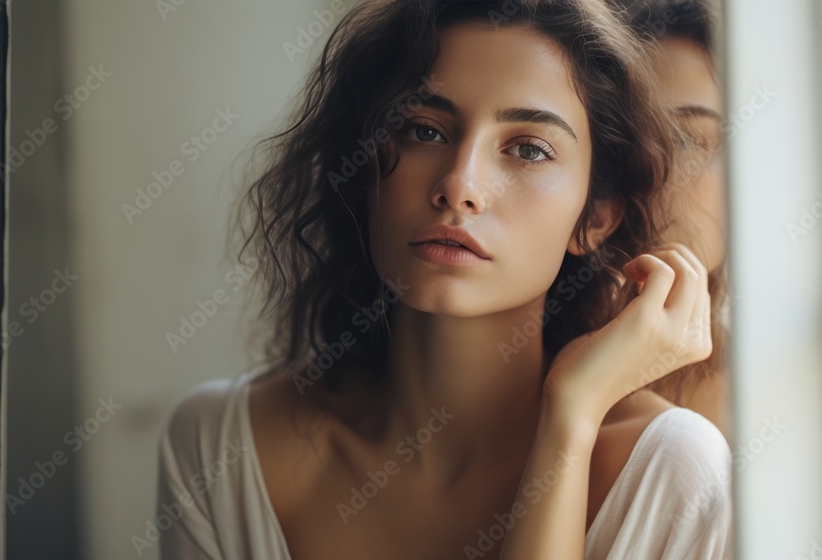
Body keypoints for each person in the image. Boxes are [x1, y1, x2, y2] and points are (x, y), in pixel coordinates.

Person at [155, 1, 732, 559]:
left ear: (596, 217)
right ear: (361, 171)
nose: (460, 185)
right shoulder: (222, 447)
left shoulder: (671, 471)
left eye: (528, 149)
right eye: (425, 131)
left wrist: (572, 417)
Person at [613, 0, 731, 437]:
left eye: (685, 141)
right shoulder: (512, 381)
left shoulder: (781, 393)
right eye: (630, 140)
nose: (653, 176)